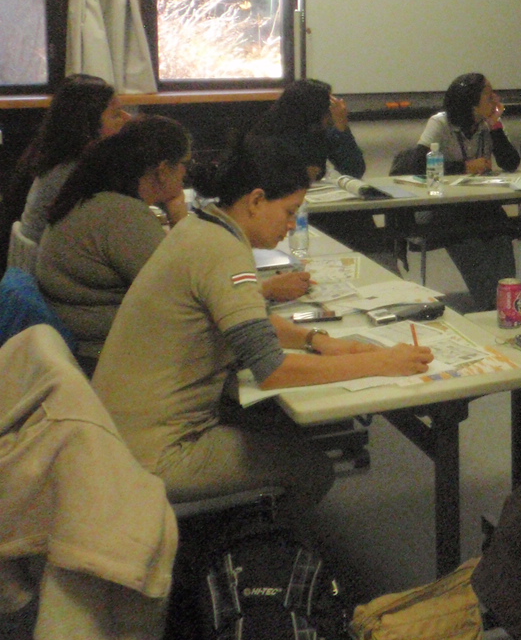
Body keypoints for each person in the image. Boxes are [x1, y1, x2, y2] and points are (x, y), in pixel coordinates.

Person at [93, 137, 431, 522]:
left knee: (279, 426)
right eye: (289, 212)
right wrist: (386, 362)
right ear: (255, 201)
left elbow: (246, 316)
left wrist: (315, 339)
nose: (291, 226)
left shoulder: (201, 227)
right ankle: (263, 558)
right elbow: (273, 371)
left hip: (119, 431)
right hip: (161, 451)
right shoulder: (223, 251)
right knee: (312, 468)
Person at [34, 115, 191, 371]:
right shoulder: (123, 215)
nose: (187, 173)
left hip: (78, 347)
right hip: (103, 359)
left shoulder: (97, 197)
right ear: (163, 170)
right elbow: (183, 291)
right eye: (185, 163)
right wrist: (180, 218)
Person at [401, 73, 521, 310]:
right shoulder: (440, 123)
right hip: (444, 208)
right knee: (468, 237)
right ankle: (490, 305)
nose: (495, 98)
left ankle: (507, 301)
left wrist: (496, 126)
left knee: (501, 231)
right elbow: (416, 165)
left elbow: (510, 163)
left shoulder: (488, 122)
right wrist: (463, 167)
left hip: (481, 205)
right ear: (471, 103)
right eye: (489, 95)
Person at [2, 75, 130, 252]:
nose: (127, 118)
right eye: (116, 115)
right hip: (48, 270)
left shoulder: (50, 155)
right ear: (88, 125)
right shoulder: (76, 169)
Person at [249, 78, 365, 180]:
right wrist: (297, 174)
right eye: (328, 105)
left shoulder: (321, 131)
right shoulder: (268, 135)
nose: (332, 110)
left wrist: (342, 128)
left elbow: (354, 171)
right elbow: (259, 179)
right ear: (312, 112)